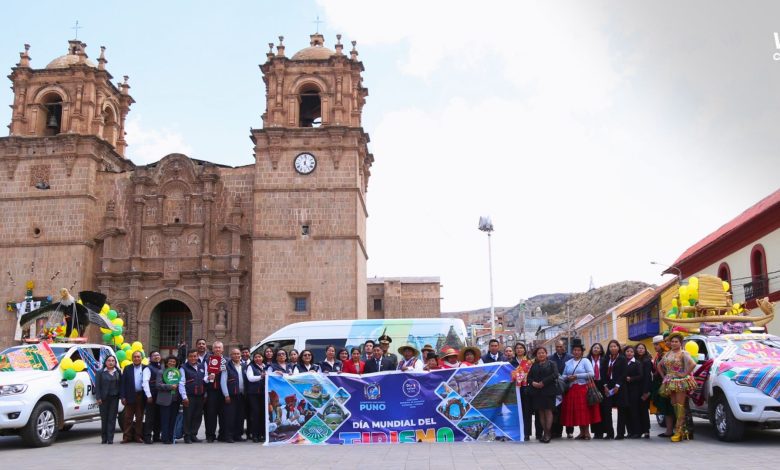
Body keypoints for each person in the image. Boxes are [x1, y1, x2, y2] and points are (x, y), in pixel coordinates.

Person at [658, 332, 697, 442]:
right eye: (672, 341)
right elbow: (659, 365)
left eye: (676, 342)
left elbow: (693, 364)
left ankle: (679, 431)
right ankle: (682, 429)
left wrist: (684, 374)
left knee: (680, 406)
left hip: (680, 381)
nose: (674, 343)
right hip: (670, 381)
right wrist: (664, 376)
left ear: (680, 343)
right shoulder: (667, 354)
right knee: (674, 405)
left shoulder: (683, 353)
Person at [560, 339, 600, 440]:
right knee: (577, 412)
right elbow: (563, 375)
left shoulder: (585, 361)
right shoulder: (568, 362)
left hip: (583, 389)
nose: (576, 352)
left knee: (584, 411)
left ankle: (587, 433)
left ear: (582, 351)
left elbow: (592, 374)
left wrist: (577, 376)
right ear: (572, 351)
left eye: (578, 350)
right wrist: (567, 377)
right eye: (574, 350)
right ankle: (582, 433)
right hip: (571, 390)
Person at [527, 346, 559, 443]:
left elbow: (555, 375)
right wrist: (533, 383)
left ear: (546, 354)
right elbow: (529, 377)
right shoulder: (533, 365)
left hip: (549, 391)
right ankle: (545, 432)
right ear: (536, 355)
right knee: (541, 412)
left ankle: (548, 433)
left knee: (548, 411)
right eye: (539, 353)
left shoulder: (552, 363)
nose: (541, 354)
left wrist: (543, 382)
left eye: (543, 352)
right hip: (537, 392)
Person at [511, 342, 540, 441]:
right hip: (516, 389)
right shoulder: (511, 362)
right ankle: (521, 432)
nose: (519, 350)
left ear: (524, 350)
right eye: (517, 348)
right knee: (519, 412)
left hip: (528, 388)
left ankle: (528, 433)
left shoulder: (529, 361)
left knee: (527, 411)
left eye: (521, 348)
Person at [600, 340, 626, 440]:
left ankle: (620, 433)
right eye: (611, 346)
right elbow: (602, 373)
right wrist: (605, 385)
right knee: (607, 410)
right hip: (608, 386)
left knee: (621, 410)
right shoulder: (606, 359)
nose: (613, 348)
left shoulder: (622, 359)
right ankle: (609, 433)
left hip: (620, 386)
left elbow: (623, 373)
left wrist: (617, 386)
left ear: (618, 347)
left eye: (615, 346)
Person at [179, 349, 206, 444]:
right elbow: (181, 383)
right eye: (191, 356)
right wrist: (184, 397)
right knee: (188, 416)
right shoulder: (183, 367)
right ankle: (187, 436)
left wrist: (209, 378)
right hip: (189, 396)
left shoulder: (201, 366)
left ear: (197, 357)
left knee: (197, 416)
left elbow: (204, 379)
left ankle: (194, 434)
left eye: (195, 356)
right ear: (188, 357)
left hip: (200, 395)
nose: (193, 358)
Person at [119, 350, 146, 443]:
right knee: (127, 418)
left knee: (139, 418)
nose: (136, 358)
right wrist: (122, 397)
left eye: (138, 357)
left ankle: (138, 436)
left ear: (141, 358)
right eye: (135, 357)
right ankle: (127, 437)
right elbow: (122, 383)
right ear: (132, 358)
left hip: (141, 396)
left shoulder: (146, 368)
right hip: (129, 395)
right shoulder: (127, 368)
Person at [650, 335, 674, 437]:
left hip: (667, 383)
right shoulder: (657, 356)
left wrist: (664, 377)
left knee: (669, 407)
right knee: (665, 407)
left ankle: (671, 430)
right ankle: (669, 430)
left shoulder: (667, 355)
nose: (655, 346)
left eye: (657, 344)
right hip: (660, 383)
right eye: (654, 344)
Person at [221, 348, 246, 443]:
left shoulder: (244, 366)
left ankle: (238, 435)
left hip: (242, 395)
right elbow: (223, 381)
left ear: (240, 355)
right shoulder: (226, 366)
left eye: (238, 354)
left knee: (240, 416)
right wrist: (226, 395)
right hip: (231, 395)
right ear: (231, 355)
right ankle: (228, 436)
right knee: (230, 416)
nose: (236, 355)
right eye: (234, 354)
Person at [204, 340, 227, 443]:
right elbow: (203, 376)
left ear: (223, 349)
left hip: (223, 391)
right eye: (216, 347)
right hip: (211, 390)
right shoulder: (207, 360)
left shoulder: (227, 361)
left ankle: (222, 434)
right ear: (212, 349)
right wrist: (208, 377)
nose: (217, 349)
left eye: (219, 347)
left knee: (223, 414)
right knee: (210, 414)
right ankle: (210, 435)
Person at [96, 355, 122, 444]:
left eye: (113, 361)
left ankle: (110, 438)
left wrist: (121, 396)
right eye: (109, 360)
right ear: (105, 362)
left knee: (112, 418)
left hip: (114, 398)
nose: (111, 362)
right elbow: (97, 386)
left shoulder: (118, 372)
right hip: (103, 399)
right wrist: (98, 398)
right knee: (104, 419)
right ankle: (104, 438)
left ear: (115, 362)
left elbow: (121, 385)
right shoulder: (100, 372)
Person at [618, 345, 643, 439]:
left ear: (634, 353)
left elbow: (641, 376)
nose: (629, 353)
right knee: (627, 412)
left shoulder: (637, 363)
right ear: (624, 352)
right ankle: (630, 432)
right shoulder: (622, 362)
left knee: (634, 411)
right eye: (627, 351)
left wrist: (631, 379)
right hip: (624, 390)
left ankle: (637, 432)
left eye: (631, 352)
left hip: (634, 390)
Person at [551, 340, 573, 439]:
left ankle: (569, 431)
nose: (559, 348)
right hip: (555, 388)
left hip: (568, 386)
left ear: (565, 346)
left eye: (561, 346)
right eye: (557, 346)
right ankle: (557, 432)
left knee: (568, 409)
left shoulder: (570, 358)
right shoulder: (550, 358)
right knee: (556, 410)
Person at [156, 355, 181, 444]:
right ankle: (165, 438)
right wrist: (170, 386)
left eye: (174, 362)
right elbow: (158, 385)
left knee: (173, 420)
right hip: (165, 400)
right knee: (165, 420)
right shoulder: (161, 372)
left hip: (175, 399)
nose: (172, 363)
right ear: (166, 362)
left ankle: (171, 438)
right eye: (170, 361)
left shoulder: (177, 372)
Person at [245, 351, 267, 442]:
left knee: (263, 414)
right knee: (255, 413)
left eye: (259, 357)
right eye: (256, 357)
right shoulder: (250, 366)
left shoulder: (266, 367)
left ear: (262, 358)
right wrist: (261, 376)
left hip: (263, 394)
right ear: (253, 359)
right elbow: (250, 378)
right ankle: (255, 435)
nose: (258, 359)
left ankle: (262, 434)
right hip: (253, 394)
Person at [142, 351, 162, 444]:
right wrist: (149, 396)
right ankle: (147, 436)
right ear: (150, 358)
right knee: (150, 417)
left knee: (158, 416)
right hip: (152, 395)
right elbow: (145, 382)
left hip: (160, 395)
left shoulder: (161, 367)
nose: (156, 357)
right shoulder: (148, 368)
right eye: (154, 355)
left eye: (158, 355)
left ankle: (156, 436)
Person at [587, 342, 605, 439]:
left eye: (598, 348)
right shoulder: (587, 360)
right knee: (593, 408)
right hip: (591, 385)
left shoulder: (604, 360)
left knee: (602, 409)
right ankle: (595, 431)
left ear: (601, 350)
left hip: (602, 385)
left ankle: (602, 431)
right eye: (594, 347)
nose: (596, 349)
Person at [635, 343, 653, 438]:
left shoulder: (647, 360)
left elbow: (648, 377)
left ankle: (646, 431)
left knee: (644, 411)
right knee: (637, 411)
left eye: (642, 348)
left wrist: (646, 391)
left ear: (645, 350)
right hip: (635, 389)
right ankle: (638, 431)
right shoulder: (634, 359)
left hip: (644, 389)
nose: (641, 350)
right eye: (639, 348)